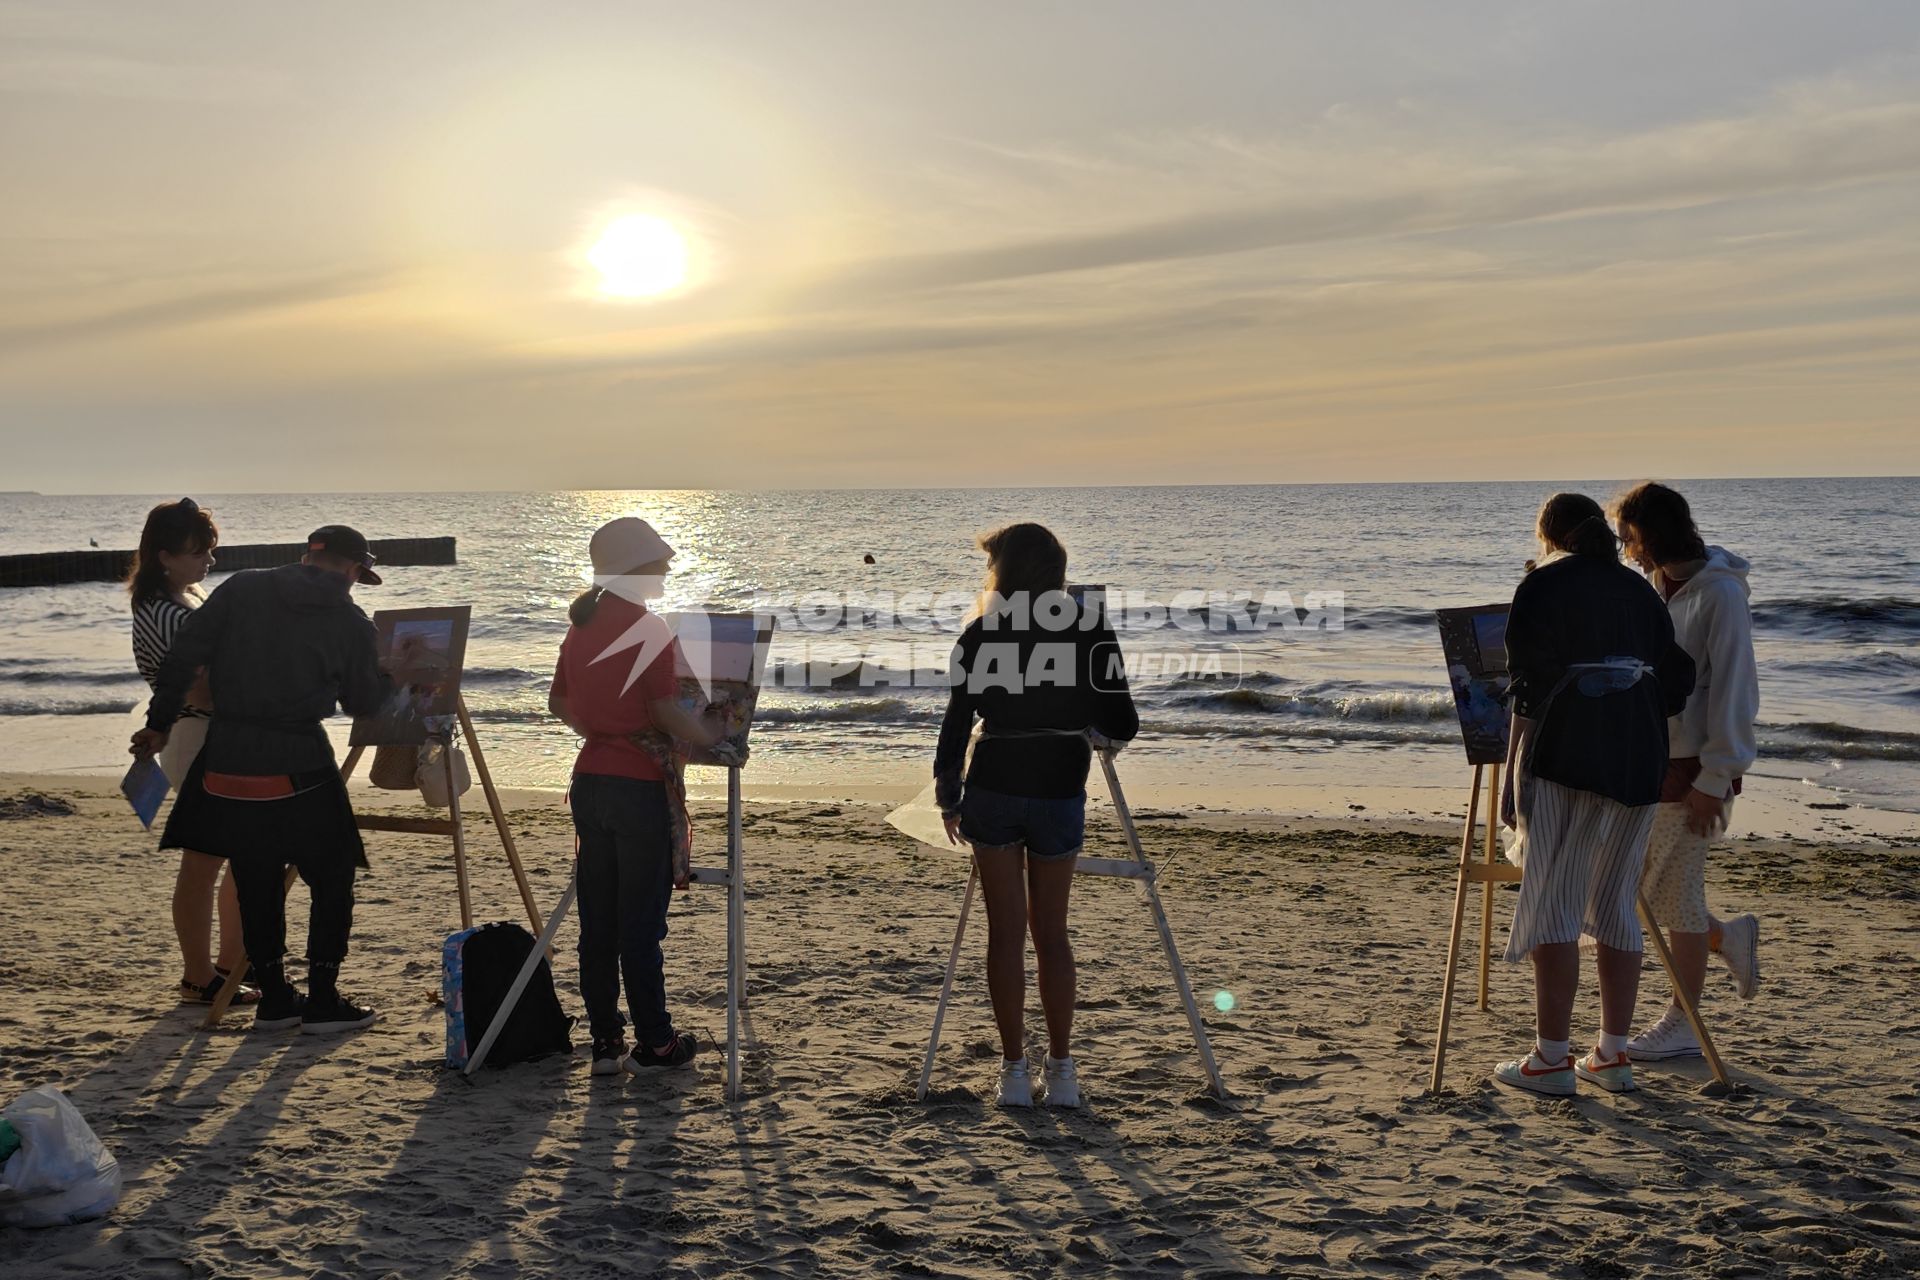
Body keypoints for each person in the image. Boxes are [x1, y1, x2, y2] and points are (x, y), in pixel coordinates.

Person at [131, 525, 391, 1034]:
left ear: (304, 557)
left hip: (226, 752)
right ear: (356, 570)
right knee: (332, 874)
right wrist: (392, 676)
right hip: (297, 755)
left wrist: (159, 723)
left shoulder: (243, 586)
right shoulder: (349, 620)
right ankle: (322, 998)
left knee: (255, 873)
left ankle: (274, 997)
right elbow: (364, 704)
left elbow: (183, 656)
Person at [933, 523, 1139, 1108]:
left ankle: (1014, 1073)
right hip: (1058, 789)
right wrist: (1083, 726)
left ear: (1002, 573)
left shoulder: (980, 633)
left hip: (994, 787)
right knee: (1052, 934)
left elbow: (954, 724)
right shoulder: (1090, 629)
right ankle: (1065, 1073)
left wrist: (948, 797)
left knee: (1005, 935)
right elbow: (1124, 722)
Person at [1494, 494, 1693, 1097]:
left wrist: (1510, 775)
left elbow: (1527, 690)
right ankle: (1611, 1054)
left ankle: (1552, 1058)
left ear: (1549, 537)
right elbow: (1677, 678)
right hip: (1637, 758)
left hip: (1566, 754)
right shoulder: (1639, 590)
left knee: (1555, 898)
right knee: (1615, 902)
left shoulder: (1544, 586)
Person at [549, 517, 731, 1078]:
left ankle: (606, 1042)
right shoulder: (647, 628)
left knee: (597, 921)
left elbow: (559, 703)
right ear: (634, 569)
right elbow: (665, 712)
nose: (669, 568)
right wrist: (716, 737)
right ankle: (655, 1044)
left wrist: (604, 732)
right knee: (641, 924)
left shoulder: (581, 624)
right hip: (637, 787)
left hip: (591, 782)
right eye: (659, 561)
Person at [1614, 482, 1762, 1062]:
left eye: (1630, 537)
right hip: (1652, 757)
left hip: (1698, 765)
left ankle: (1683, 1020)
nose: (1625, 548)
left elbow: (1735, 690)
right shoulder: (1656, 585)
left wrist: (1715, 778)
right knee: (1640, 889)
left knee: (1672, 894)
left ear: (1652, 534)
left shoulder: (1720, 596)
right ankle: (1726, 937)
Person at [126, 498, 256, 1007]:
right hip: (196, 736)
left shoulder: (185, 599)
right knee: (204, 862)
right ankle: (200, 975)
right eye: (197, 551)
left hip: (202, 735)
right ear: (164, 556)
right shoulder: (167, 611)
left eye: (211, 549)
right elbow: (198, 689)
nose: (209, 560)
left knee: (238, 856)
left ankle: (226, 965)